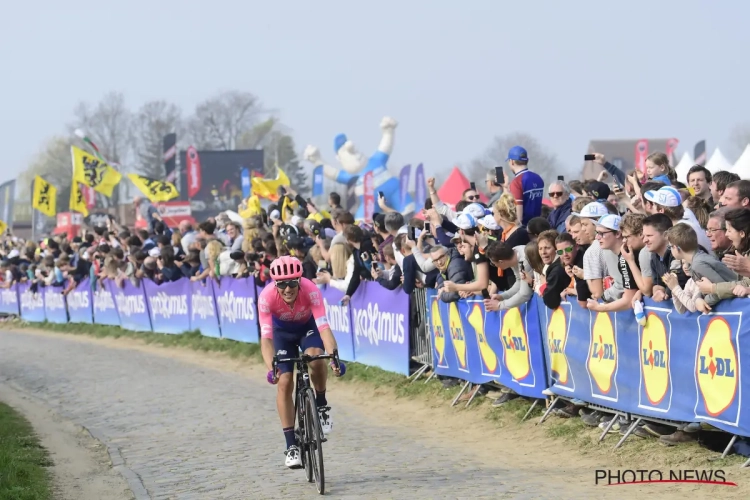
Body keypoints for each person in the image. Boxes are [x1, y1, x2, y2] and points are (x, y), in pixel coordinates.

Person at [258, 256, 345, 468]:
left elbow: (324, 328)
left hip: (308, 329)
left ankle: (322, 406)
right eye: (282, 284)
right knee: (285, 381)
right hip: (281, 335)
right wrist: (272, 369)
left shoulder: (311, 290)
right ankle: (291, 446)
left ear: (299, 281)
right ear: (275, 284)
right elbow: (267, 339)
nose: (287, 289)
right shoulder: (266, 297)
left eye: (292, 283)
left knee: (316, 357)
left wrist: (334, 357)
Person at [506, 146, 544, 225]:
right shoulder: (538, 178)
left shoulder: (517, 182)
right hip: (538, 224)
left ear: (512, 161)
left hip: (526, 227)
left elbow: (518, 211)